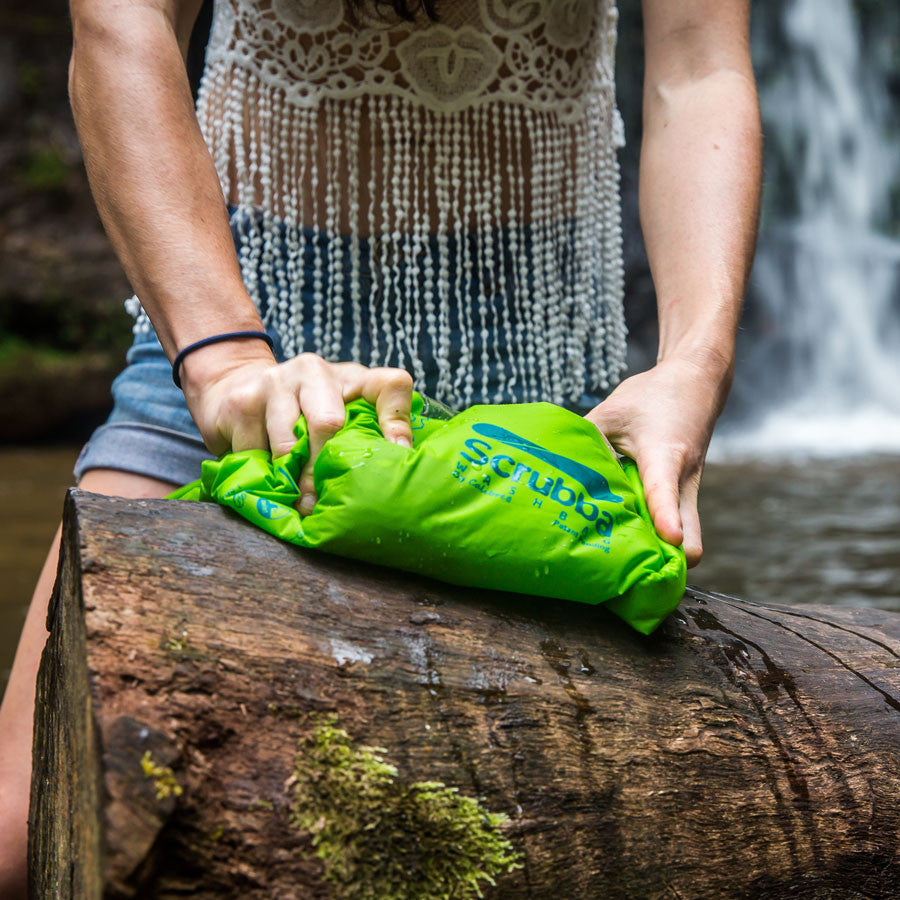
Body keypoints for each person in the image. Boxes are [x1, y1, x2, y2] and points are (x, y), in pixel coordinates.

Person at [0, 0, 761, 892]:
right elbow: (125, 22)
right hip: (246, 355)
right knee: (25, 838)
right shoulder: (230, 363)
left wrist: (694, 366)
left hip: (549, 419)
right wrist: (222, 361)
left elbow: (699, 65)